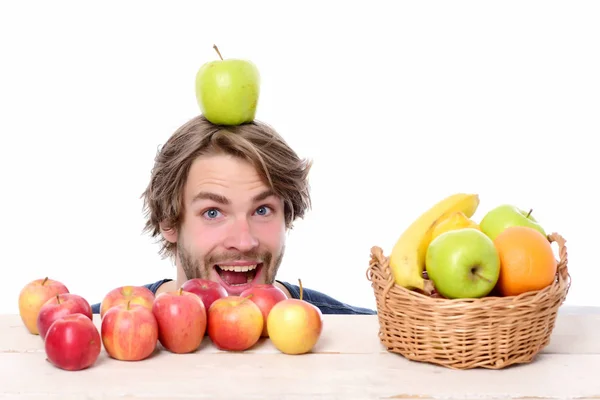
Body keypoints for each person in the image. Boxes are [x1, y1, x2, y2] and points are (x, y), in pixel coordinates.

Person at [90, 115, 375, 315]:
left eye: (262, 210)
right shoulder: (96, 331)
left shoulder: (356, 335)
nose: (244, 241)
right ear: (169, 220)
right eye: (213, 212)